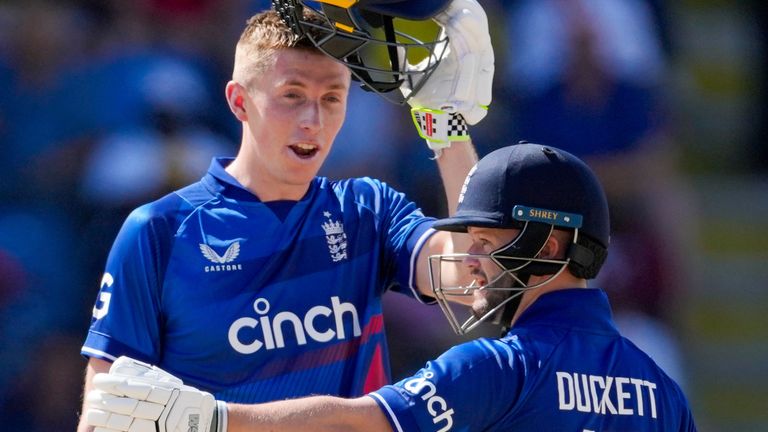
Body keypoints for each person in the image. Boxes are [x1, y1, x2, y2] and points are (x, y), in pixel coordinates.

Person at [76, 0, 494, 431]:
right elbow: (103, 415)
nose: (313, 120)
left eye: (332, 98)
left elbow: (469, 279)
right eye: (292, 96)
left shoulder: (367, 210)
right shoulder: (159, 231)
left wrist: (446, 129)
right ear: (239, 101)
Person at [85, 143, 697, 431]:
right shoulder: (665, 394)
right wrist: (445, 127)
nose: (473, 262)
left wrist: (212, 417)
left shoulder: (501, 367)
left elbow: (353, 420)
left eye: (488, 243)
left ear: (552, 246)